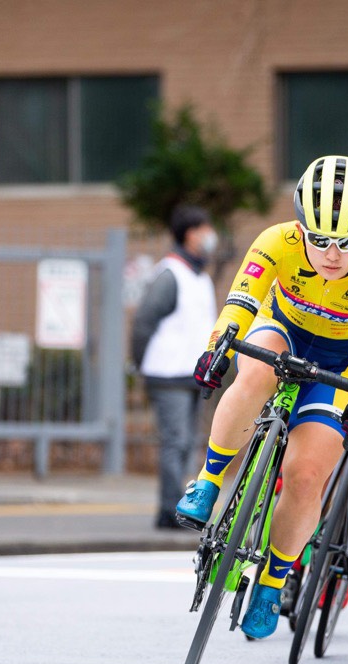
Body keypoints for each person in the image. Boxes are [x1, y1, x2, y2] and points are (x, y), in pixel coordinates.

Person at [174, 155, 348, 639]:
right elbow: (240, 305)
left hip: (341, 367)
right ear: (301, 227)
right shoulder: (276, 241)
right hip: (282, 332)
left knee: (306, 476)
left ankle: (271, 583)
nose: (333, 253)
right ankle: (209, 481)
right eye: (320, 239)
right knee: (255, 368)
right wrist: (218, 347)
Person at [131, 205, 219, 530]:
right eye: (202, 228)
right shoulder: (170, 273)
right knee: (175, 441)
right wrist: (142, 363)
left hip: (192, 374)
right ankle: (169, 511)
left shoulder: (200, 276)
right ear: (188, 234)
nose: (209, 235)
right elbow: (144, 322)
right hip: (167, 373)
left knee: (188, 443)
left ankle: (180, 506)